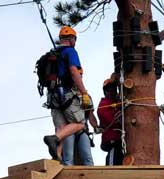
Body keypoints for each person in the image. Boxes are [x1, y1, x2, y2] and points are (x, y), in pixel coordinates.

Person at [43, 26, 92, 161]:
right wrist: (84, 93)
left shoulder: (53, 54)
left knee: (63, 128)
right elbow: (73, 71)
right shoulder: (70, 52)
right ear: (72, 39)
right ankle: (55, 139)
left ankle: (57, 155)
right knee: (80, 123)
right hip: (65, 93)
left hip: (52, 96)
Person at [97, 78, 123, 165]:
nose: (111, 92)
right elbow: (112, 120)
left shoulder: (119, 102)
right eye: (108, 90)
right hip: (112, 140)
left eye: (113, 90)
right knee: (113, 164)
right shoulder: (103, 104)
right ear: (105, 92)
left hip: (122, 140)